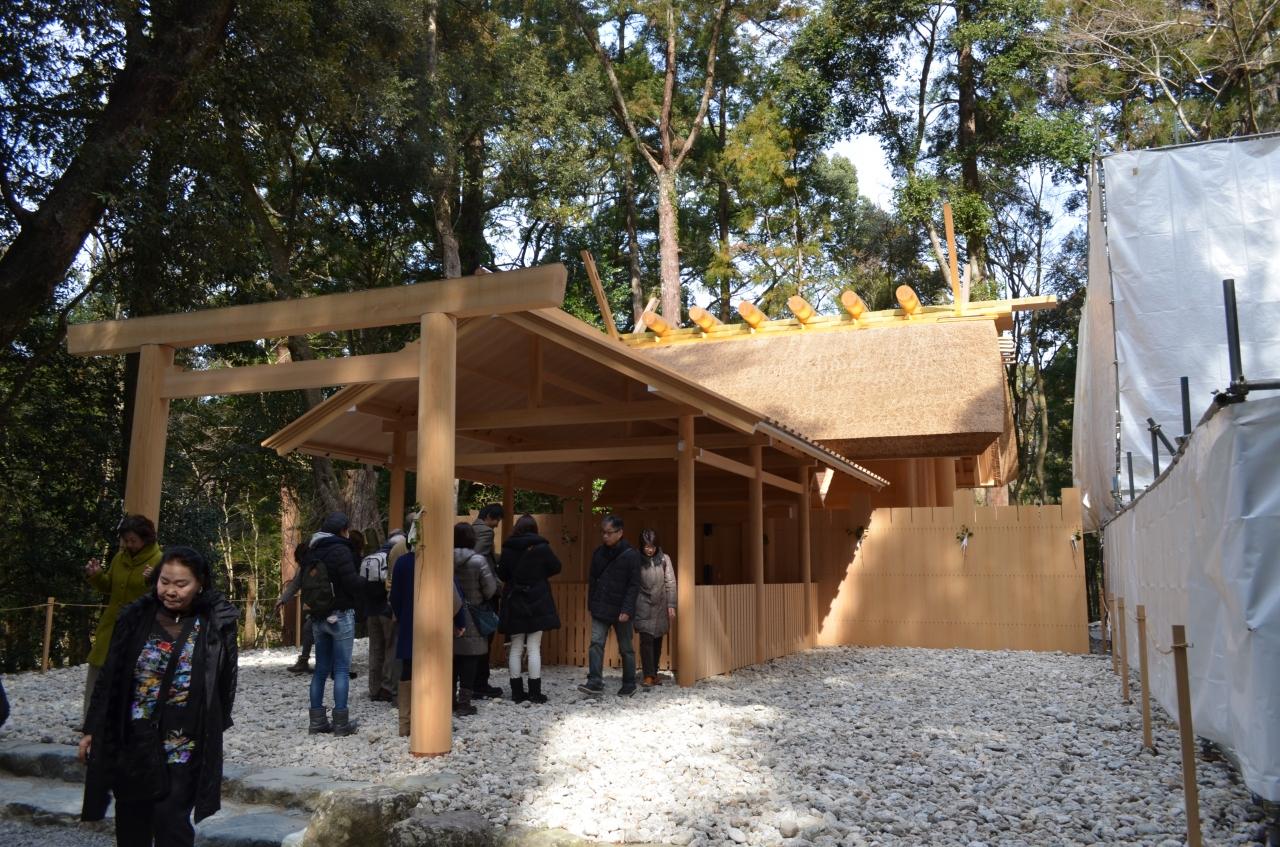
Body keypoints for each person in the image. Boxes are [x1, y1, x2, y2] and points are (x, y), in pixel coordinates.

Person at [79, 546, 238, 846]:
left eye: (181, 584)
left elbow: (225, 680)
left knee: (171, 819)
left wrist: (214, 724)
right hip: (134, 737)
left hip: (184, 739)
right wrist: (93, 728)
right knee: (131, 818)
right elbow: (110, 676)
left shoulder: (215, 622)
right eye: (165, 582)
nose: (171, 591)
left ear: (200, 583)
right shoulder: (135, 617)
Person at [84, 515, 163, 725]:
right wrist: (97, 576)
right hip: (111, 625)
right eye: (125, 540)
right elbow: (108, 586)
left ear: (146, 538)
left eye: (132, 540)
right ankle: (90, 722)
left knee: (129, 675)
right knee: (97, 670)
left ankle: (123, 724)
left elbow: (165, 597)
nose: (128, 544)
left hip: (139, 627)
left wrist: (154, 582)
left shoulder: (160, 561)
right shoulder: (119, 558)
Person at [389, 541, 465, 737]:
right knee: (438, 670)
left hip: (410, 624)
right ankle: (435, 721)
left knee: (408, 670)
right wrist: (459, 621)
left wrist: (403, 616)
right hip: (437, 625)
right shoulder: (440, 560)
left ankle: (406, 723)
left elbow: (394, 597)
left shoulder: (402, 562)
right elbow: (455, 595)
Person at [301, 511, 364, 735]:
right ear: (343, 530)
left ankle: (317, 721)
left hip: (318, 616)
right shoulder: (341, 550)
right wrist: (370, 584)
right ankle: (341, 722)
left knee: (320, 670)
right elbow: (351, 581)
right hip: (341, 615)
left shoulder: (312, 550)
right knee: (341, 670)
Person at [497, 514, 561, 703]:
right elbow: (556, 567)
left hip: (514, 600)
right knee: (534, 647)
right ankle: (535, 692)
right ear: (534, 529)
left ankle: (517, 692)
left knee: (516, 647)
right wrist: (539, 574)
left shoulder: (508, 548)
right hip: (537, 600)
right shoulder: (542, 547)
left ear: (517, 528)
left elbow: (502, 574)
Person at [578, 515, 641, 697]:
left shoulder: (631, 555)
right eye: (603, 532)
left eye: (609, 532)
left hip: (622, 609)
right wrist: (592, 603)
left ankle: (629, 682)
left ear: (620, 533)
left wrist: (627, 609)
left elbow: (634, 585)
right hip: (600, 606)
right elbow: (593, 580)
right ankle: (594, 681)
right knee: (596, 644)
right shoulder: (598, 553)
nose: (605, 536)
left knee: (626, 648)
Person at [453, 522, 497, 716]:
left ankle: (448, 700)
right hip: (473, 615)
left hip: (449, 614)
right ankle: (464, 703)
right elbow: (490, 589)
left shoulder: (444, 559)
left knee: (451, 658)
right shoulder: (478, 560)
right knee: (470, 659)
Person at [362, 529, 405, 702]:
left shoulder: (371, 556)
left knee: (375, 649)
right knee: (391, 647)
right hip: (386, 610)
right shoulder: (395, 557)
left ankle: (374, 688)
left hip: (371, 610)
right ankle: (387, 687)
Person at [635, 529, 677, 688]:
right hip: (642, 604)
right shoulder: (636, 559)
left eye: (652, 546)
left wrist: (671, 604)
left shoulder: (665, 559)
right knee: (646, 640)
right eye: (646, 546)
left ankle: (654, 673)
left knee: (658, 639)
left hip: (660, 605)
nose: (649, 549)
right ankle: (648, 675)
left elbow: (670, 583)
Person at [470, 505, 504, 700]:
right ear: (490, 517)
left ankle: (471, 684)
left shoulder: (471, 529)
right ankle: (480, 684)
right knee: (485, 639)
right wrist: (495, 586)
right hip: (483, 596)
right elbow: (479, 560)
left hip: (469, 596)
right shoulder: (486, 532)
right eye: (497, 520)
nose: (497, 525)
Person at [275, 542, 315, 674]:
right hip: (315, 606)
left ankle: (328, 664)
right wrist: (282, 600)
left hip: (330, 605)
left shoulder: (321, 565)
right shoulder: (303, 569)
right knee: (309, 629)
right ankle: (304, 660)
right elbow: (295, 585)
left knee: (315, 631)